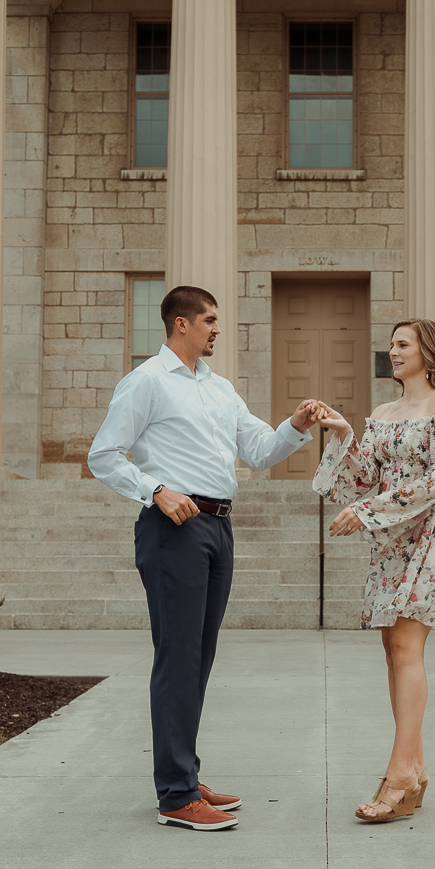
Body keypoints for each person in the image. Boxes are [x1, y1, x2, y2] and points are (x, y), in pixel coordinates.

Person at [88, 285, 330, 831]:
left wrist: (295, 424)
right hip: (173, 528)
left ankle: (186, 776)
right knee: (177, 658)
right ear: (181, 324)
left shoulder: (221, 390)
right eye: (211, 320)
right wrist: (154, 490)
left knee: (198, 658)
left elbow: (261, 452)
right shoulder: (146, 382)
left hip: (219, 528)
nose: (218, 329)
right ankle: (175, 796)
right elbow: (102, 454)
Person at [311, 318, 435, 824]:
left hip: (433, 533)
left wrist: (365, 512)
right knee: (392, 648)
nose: (393, 352)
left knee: (407, 647)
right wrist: (342, 434)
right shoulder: (383, 411)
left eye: (403, 344)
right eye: (392, 345)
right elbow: (361, 478)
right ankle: (416, 768)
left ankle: (399, 774)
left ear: (428, 350)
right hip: (391, 538)